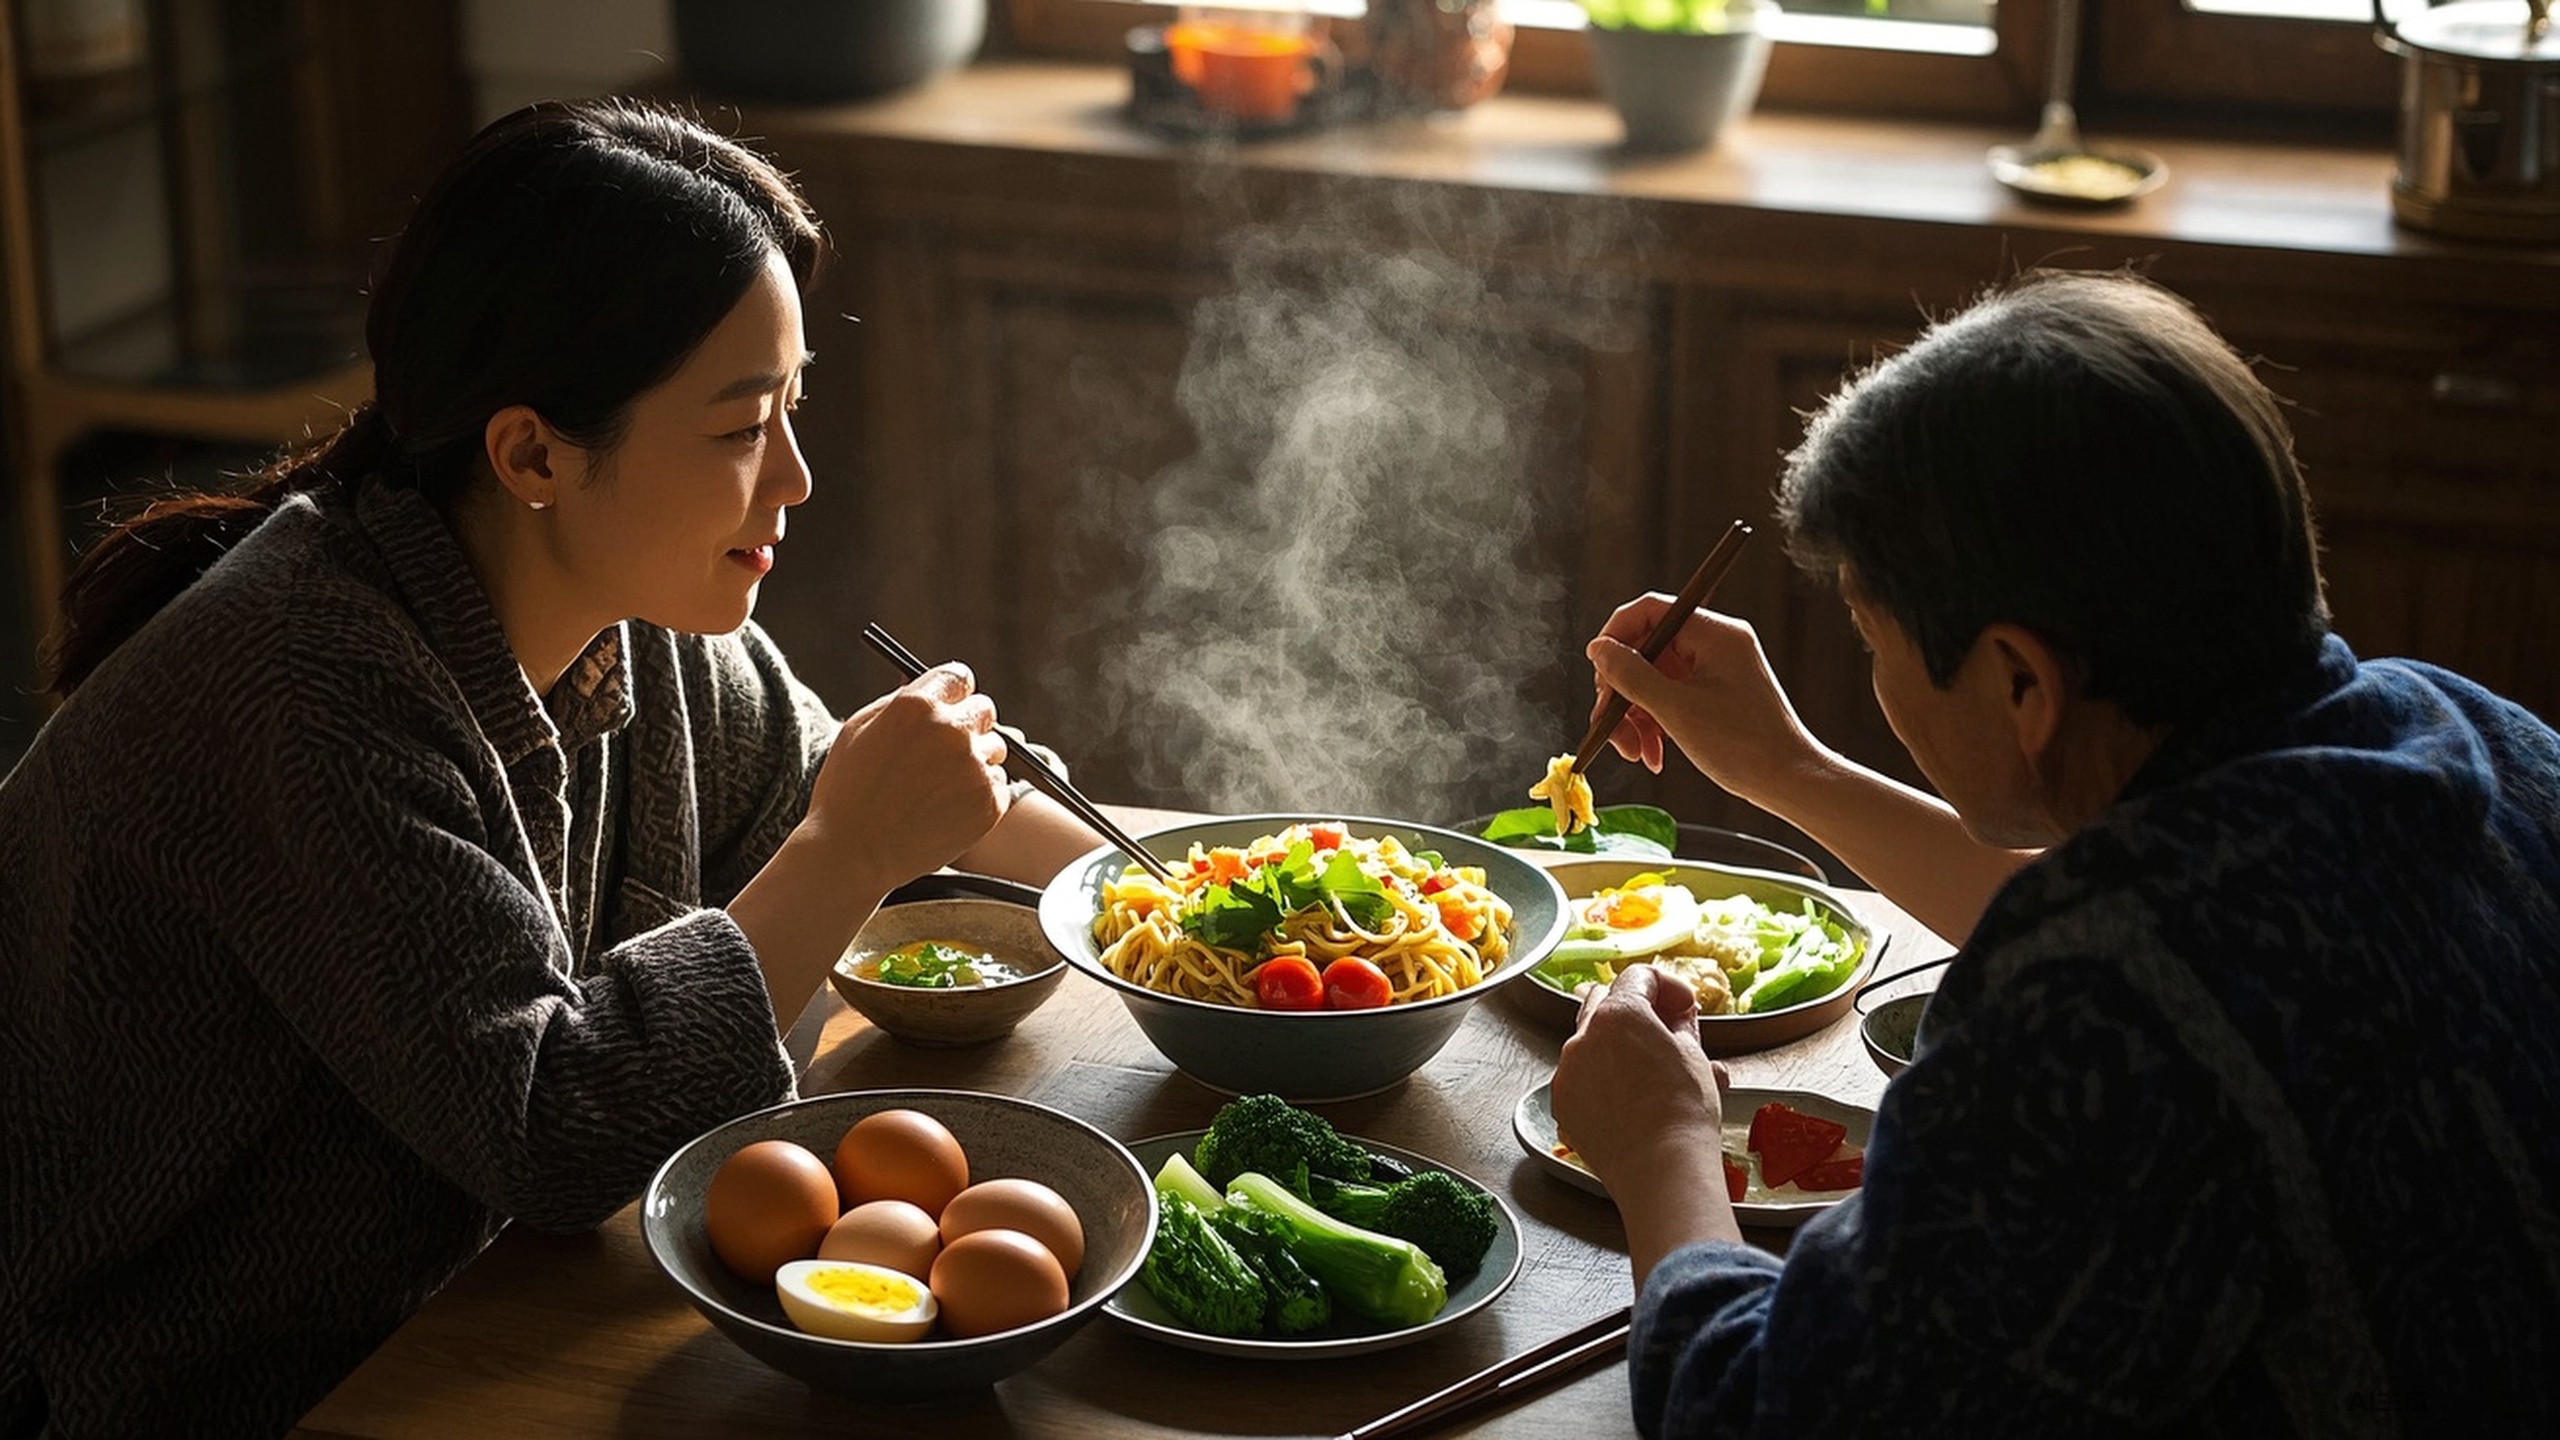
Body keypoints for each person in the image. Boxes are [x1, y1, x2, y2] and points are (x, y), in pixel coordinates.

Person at [0, 99, 1100, 1437]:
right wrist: (851, 849)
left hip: (442, 1329)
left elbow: (858, 793)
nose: (796, 479)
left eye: (791, 409)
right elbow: (553, 1133)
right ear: (532, 454)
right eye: (741, 428)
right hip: (173, 1393)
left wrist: (1184, 895)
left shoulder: (633, 612)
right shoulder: (305, 686)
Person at [1550, 270, 2560, 1436]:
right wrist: (1788, 769)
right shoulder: (2469, 733)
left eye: (1873, 644)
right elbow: (2175, 921)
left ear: (2020, 681)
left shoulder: (2102, 1023)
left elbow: (1762, 1413)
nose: (1877, 681)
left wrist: (1662, 1142)